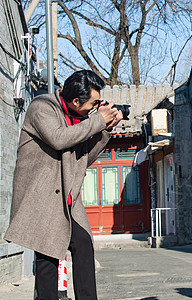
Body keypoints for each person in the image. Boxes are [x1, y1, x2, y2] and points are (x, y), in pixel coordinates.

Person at [4, 70, 123, 300]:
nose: (94, 108)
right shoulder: (42, 107)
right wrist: (98, 121)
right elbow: (59, 139)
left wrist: (105, 130)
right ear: (76, 100)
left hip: (67, 198)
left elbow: (82, 159)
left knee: (83, 245)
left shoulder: (79, 118)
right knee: (47, 259)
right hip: (43, 197)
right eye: (92, 103)